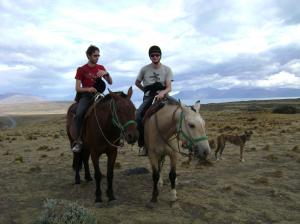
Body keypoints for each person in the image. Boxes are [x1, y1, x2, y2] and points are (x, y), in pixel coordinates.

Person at [72, 45, 112, 153]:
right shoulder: (81, 70)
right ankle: (78, 141)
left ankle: (114, 138)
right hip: (86, 96)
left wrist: (106, 74)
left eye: (98, 55)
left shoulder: (101, 67)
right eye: (95, 55)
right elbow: (77, 88)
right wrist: (88, 89)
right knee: (79, 114)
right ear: (88, 55)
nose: (97, 57)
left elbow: (110, 82)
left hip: (99, 95)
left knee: (112, 110)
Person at [135, 45, 174, 156]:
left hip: (164, 95)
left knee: (182, 110)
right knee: (138, 115)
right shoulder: (144, 69)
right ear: (150, 57)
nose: (155, 57)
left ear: (160, 56)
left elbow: (169, 87)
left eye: (157, 55)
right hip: (149, 97)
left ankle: (185, 141)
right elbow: (137, 83)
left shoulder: (167, 69)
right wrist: (145, 91)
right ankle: (143, 144)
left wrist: (162, 93)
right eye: (152, 55)